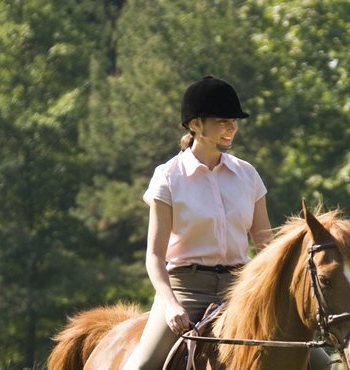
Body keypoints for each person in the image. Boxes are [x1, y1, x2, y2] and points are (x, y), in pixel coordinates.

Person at [123, 76, 329, 369]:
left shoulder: (248, 176)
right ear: (194, 124)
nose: (231, 126)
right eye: (222, 120)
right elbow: (155, 256)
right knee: (141, 366)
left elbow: (265, 246)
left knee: (321, 364)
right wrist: (170, 304)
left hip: (241, 288)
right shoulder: (168, 177)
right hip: (186, 289)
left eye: (233, 120)